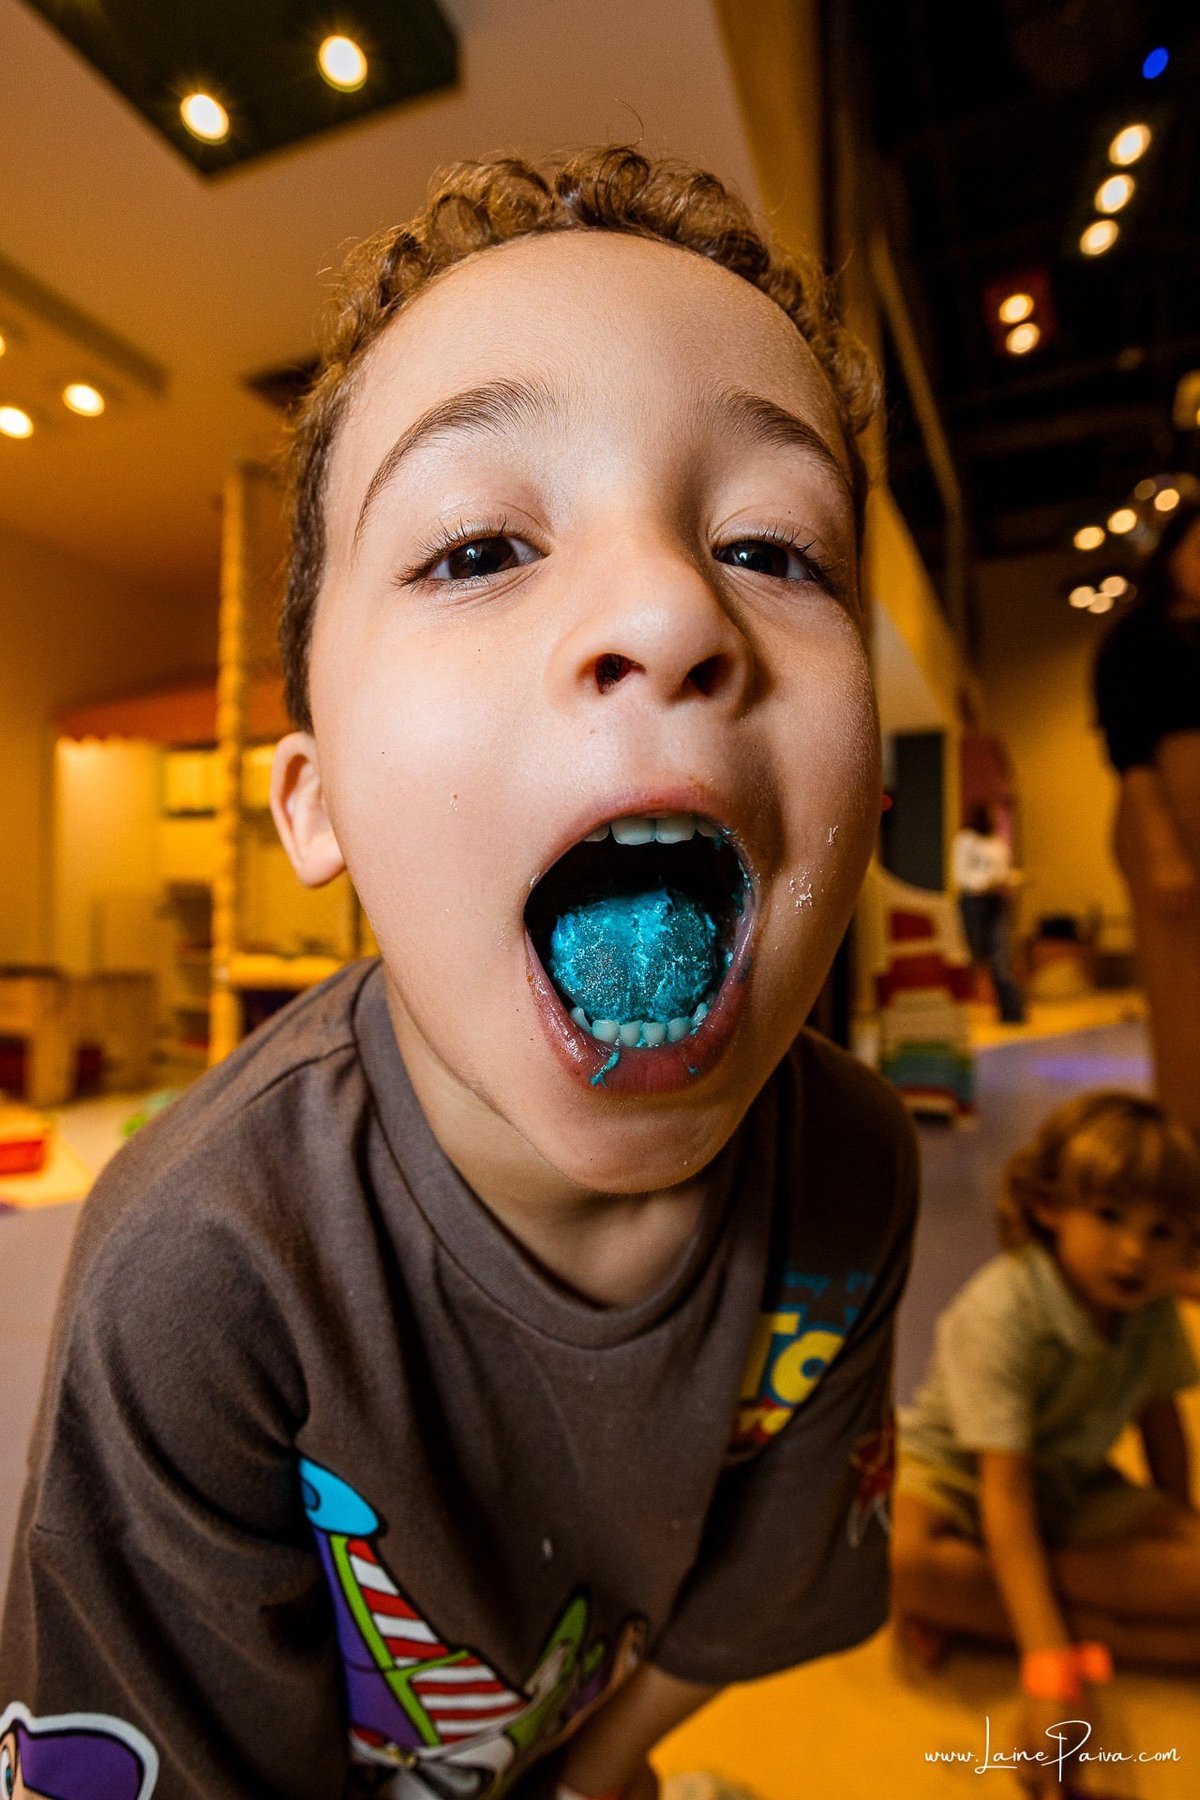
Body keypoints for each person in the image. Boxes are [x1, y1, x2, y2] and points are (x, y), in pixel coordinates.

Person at [0, 148, 919, 1800]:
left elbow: (757, 1597)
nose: (663, 605)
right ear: (318, 801)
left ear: (876, 796)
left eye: (775, 550)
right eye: (481, 547)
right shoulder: (197, 1265)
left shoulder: (853, 1176)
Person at [890, 1092, 1200, 1800]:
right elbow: (1004, 1491)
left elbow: (1162, 1424)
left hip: (1071, 1486)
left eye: (1163, 1233)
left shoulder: (1148, 1311)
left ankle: (987, 1607)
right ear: (1047, 1205)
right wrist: (1049, 1665)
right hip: (961, 1483)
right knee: (899, 1563)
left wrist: (1172, 1525)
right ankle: (1064, 1624)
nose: (1133, 1253)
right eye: (1110, 1217)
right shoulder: (1002, 1310)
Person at [1094, 496, 1200, 1137]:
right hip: (1169, 813)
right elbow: (1129, 750)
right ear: (1173, 555)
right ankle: (1188, 1140)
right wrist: (1162, 847)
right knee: (1183, 994)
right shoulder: (1137, 637)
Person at [951, 802, 1026, 1024]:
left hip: (997, 902)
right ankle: (959, 1014)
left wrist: (1009, 879)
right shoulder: (965, 841)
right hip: (973, 903)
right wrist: (985, 882)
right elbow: (961, 876)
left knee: (1000, 958)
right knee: (968, 956)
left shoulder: (998, 844)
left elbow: (1002, 872)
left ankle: (1013, 1014)